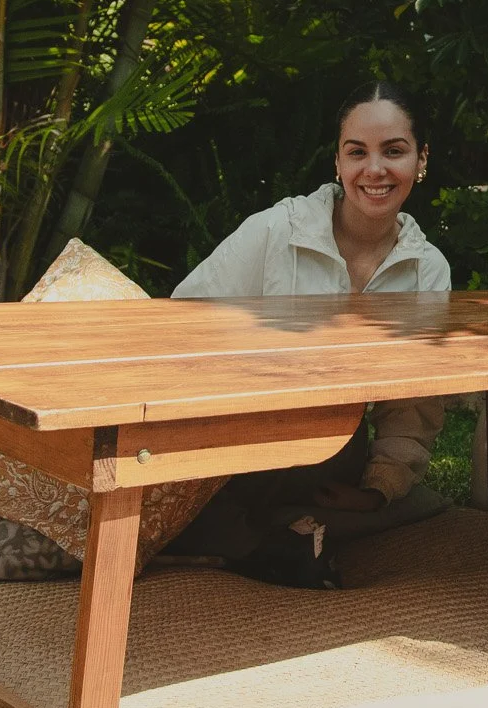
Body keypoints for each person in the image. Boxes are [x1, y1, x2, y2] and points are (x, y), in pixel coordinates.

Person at [165, 80, 451, 587]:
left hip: (328, 455)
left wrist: (379, 489)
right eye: (356, 152)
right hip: (230, 440)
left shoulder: (427, 271)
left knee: (401, 501)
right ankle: (263, 540)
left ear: (421, 160)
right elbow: (182, 325)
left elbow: (414, 403)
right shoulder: (275, 232)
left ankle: (268, 538)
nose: (375, 169)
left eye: (395, 151)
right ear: (337, 162)